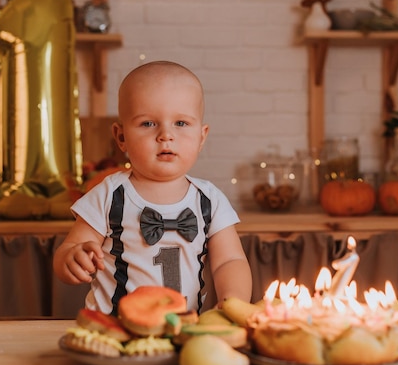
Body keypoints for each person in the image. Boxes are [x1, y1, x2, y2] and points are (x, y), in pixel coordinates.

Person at [53, 61, 252, 315]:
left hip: (184, 330)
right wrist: (73, 258)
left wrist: (233, 300)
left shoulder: (209, 200)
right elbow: (68, 251)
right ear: (121, 137)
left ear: (201, 137)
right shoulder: (109, 194)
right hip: (115, 328)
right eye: (148, 124)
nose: (165, 135)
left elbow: (230, 260)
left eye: (180, 123)